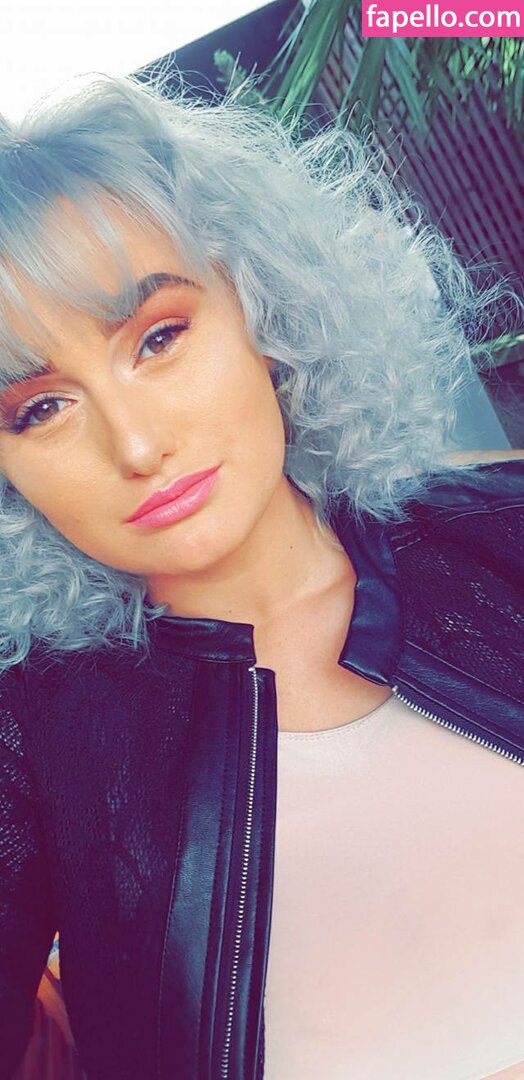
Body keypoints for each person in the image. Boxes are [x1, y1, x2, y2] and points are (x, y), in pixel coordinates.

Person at [0, 70, 522, 1080]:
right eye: (40, 409)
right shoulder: (30, 741)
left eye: (158, 338)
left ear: (264, 313)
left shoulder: (501, 533)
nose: (137, 445)